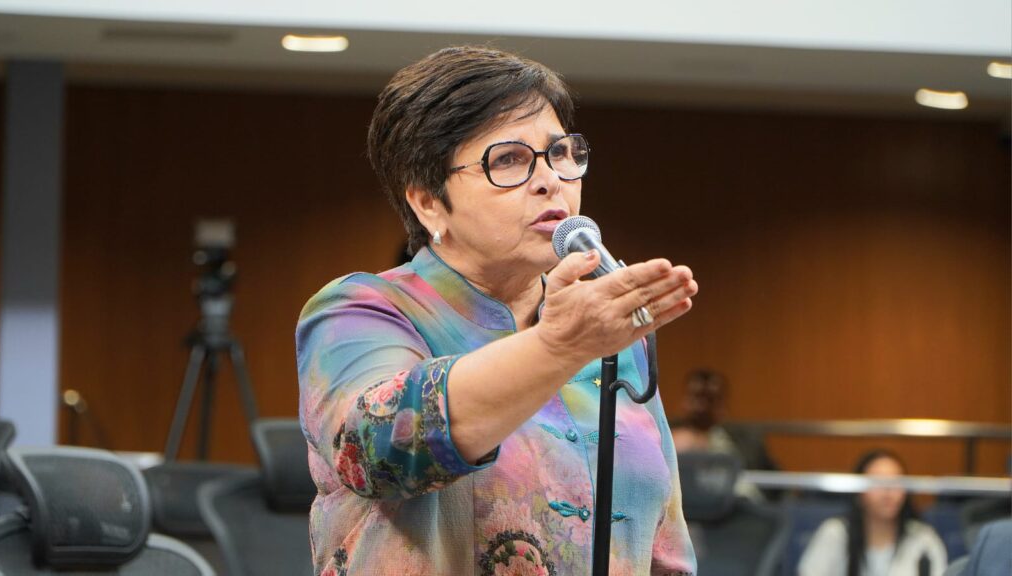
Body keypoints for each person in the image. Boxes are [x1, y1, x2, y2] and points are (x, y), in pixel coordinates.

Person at [296, 46, 699, 575]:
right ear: (428, 202)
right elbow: (376, 450)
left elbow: (665, 548)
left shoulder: (605, 331)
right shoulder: (363, 309)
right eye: (508, 159)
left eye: (560, 153)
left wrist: (577, 339)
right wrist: (558, 347)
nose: (550, 179)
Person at [798, 449, 947, 576]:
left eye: (896, 482)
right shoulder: (834, 534)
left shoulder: (923, 538)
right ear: (859, 492)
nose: (888, 492)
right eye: (878, 483)